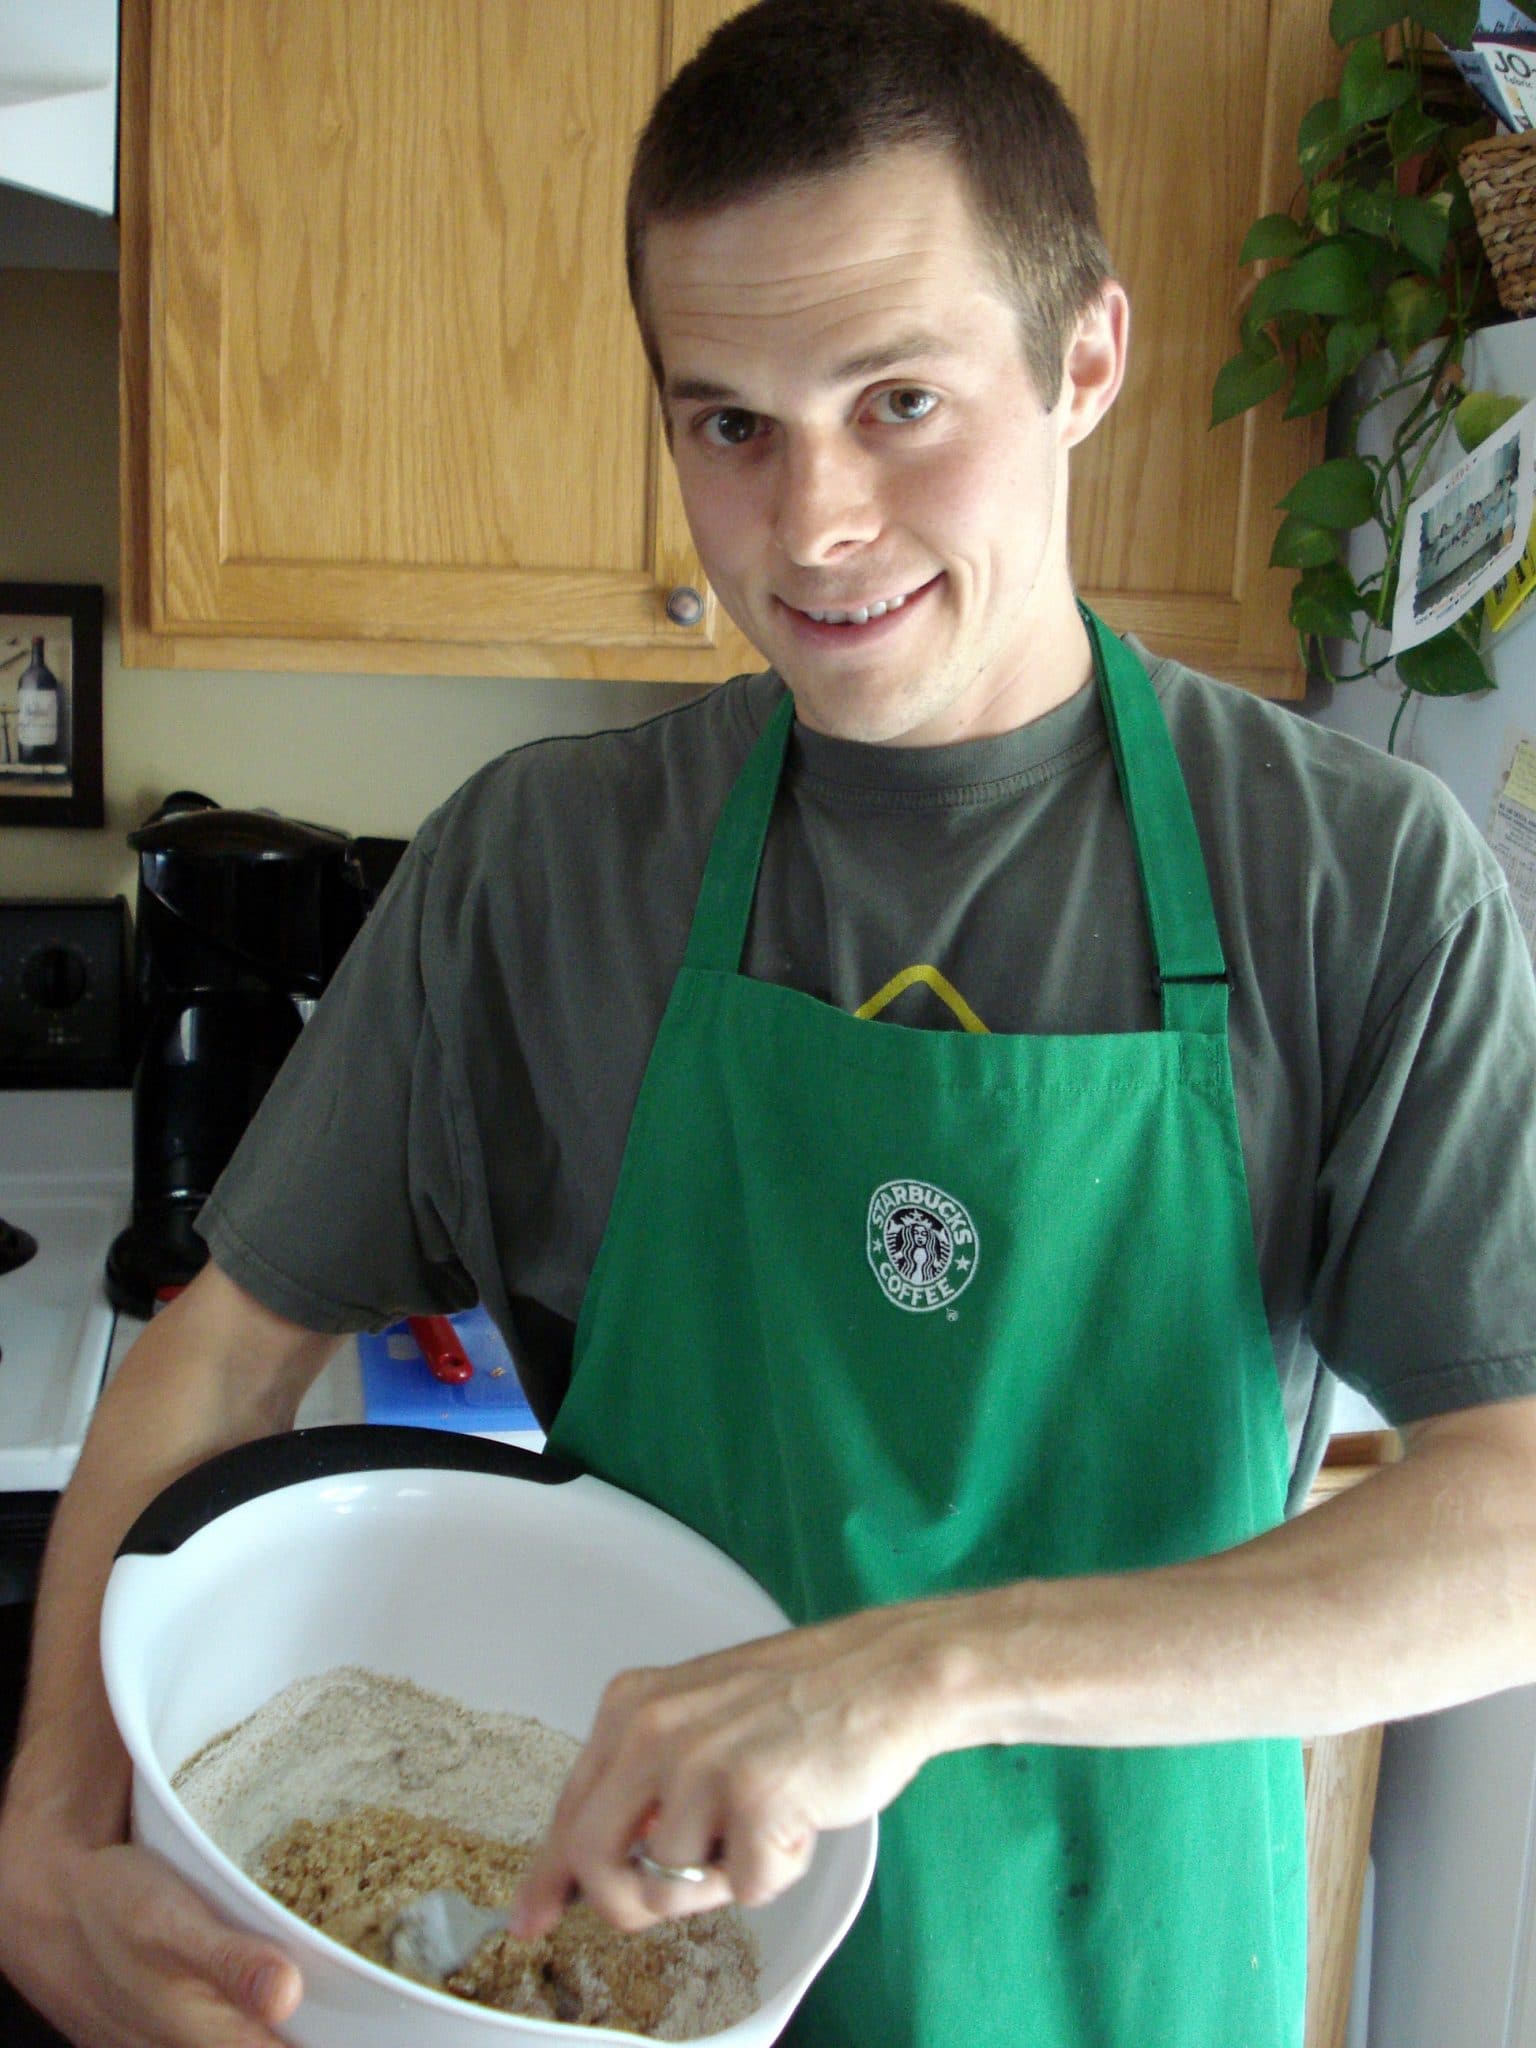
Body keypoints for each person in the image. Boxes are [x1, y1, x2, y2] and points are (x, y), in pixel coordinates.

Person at [5, 2, 1536, 2044]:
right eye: (728, 421)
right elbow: (211, 1368)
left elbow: (1510, 1518)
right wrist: (45, 1837)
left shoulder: (1356, 870)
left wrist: (912, 1670)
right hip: (623, 1974)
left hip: (1133, 1973)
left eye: (899, 399)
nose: (808, 524)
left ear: (1086, 357)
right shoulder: (545, 865)